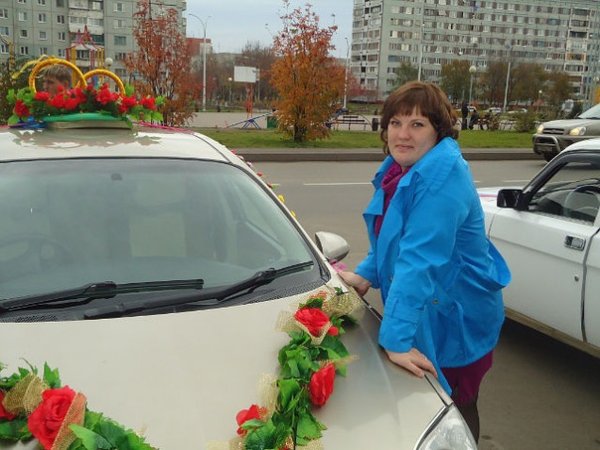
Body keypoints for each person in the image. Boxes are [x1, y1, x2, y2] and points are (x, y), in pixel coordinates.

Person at [339, 81, 510, 442]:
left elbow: (419, 260)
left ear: (438, 131)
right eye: (396, 122)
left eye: (417, 124)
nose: (403, 134)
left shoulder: (441, 179)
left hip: (456, 317)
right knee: (431, 406)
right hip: (429, 305)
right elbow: (391, 238)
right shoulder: (400, 169)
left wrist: (396, 340)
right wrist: (366, 274)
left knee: (455, 409)